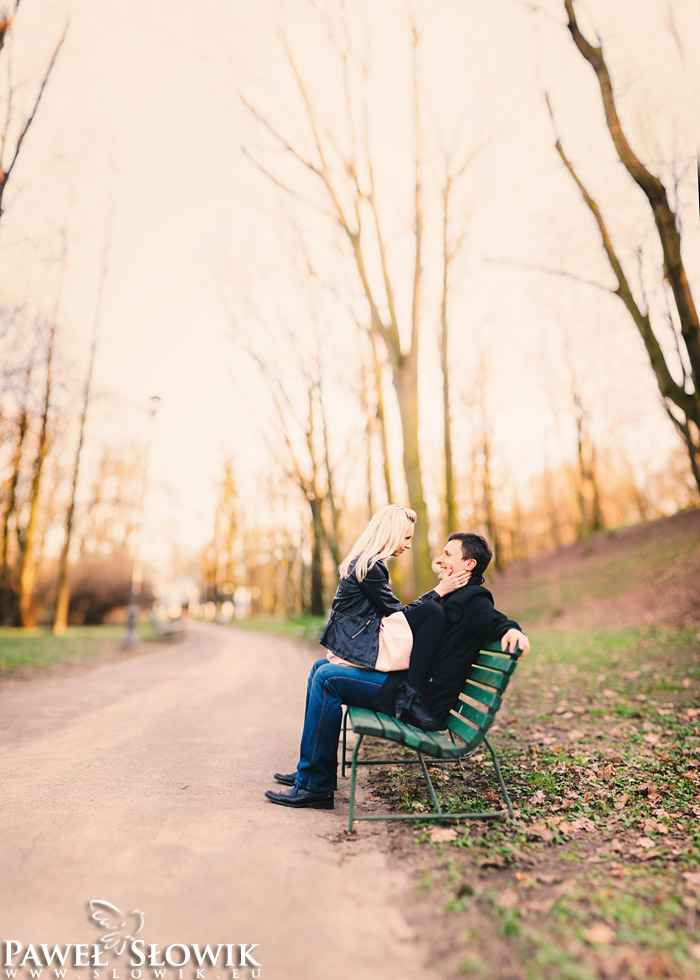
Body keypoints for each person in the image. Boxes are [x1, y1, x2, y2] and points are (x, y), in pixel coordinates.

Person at [264, 510, 529, 810]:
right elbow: (405, 617)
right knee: (321, 668)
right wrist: (438, 593)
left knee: (327, 679)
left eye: (447, 554)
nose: (439, 559)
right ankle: (310, 771)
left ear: (468, 564)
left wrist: (511, 629)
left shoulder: (472, 598)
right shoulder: (450, 596)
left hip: (419, 702)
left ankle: (315, 785)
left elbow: (490, 618)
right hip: (408, 689)